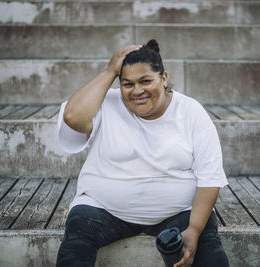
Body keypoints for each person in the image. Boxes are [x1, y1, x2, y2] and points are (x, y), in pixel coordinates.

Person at [56, 39, 229, 267]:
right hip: (102, 210)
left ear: (163, 78)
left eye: (145, 81)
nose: (137, 91)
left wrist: (194, 230)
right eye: (127, 84)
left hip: (178, 213)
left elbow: (210, 176)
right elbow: (73, 118)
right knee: (75, 243)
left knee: (209, 252)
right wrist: (110, 71)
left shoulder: (190, 111)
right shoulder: (104, 104)